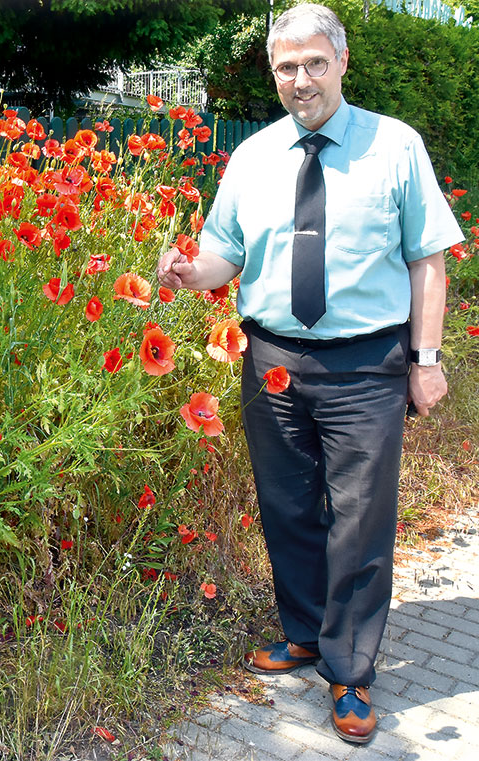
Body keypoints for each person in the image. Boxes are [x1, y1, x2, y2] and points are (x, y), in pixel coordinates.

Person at [157, 1, 463, 745]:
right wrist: (188, 272)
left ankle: (350, 670)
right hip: (275, 361)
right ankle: (302, 631)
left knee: (359, 520)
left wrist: (425, 360)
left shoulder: (394, 147)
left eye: (315, 63)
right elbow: (226, 254)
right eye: (287, 66)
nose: (302, 79)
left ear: (342, 64)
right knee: (287, 505)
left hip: (367, 363)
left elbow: (428, 258)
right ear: (275, 72)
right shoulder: (254, 156)